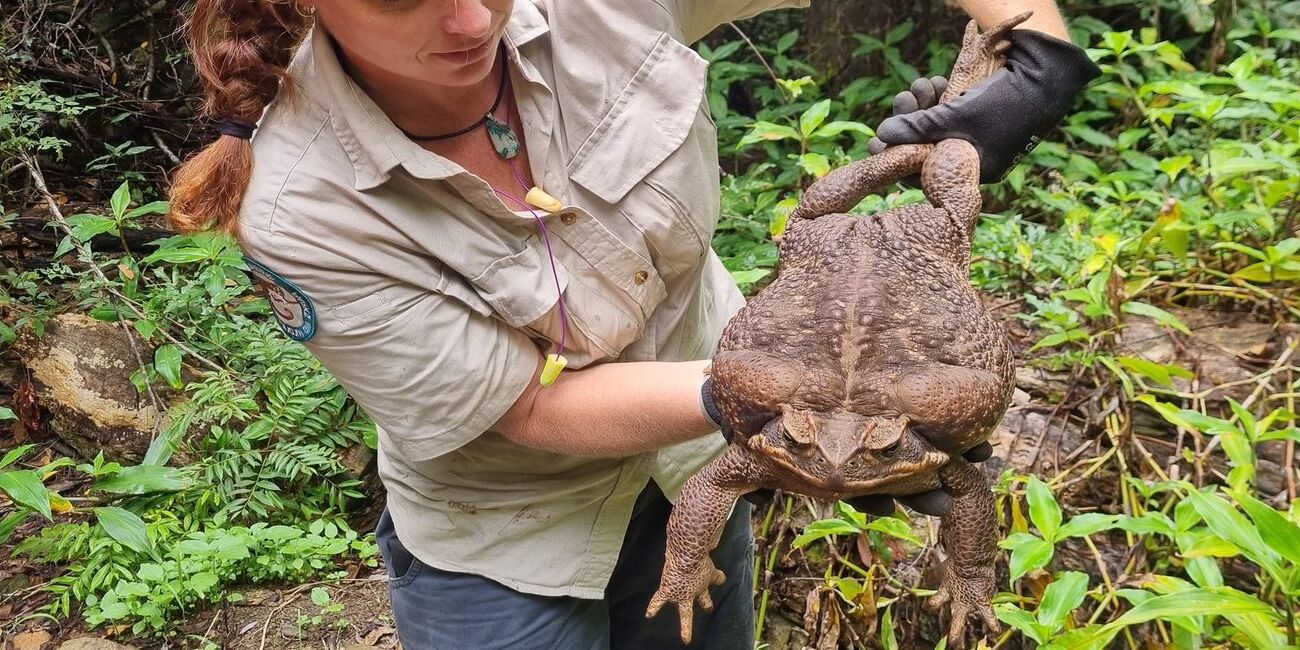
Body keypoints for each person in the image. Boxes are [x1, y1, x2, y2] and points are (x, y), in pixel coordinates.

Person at [165, 0, 1099, 647]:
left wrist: (1036, 61)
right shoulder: (299, 206)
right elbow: (524, 410)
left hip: (696, 470)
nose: (468, 20)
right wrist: (777, 404)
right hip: (509, 529)